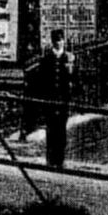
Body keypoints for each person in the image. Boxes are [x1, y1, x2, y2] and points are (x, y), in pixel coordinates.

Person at [36, 29, 75, 167]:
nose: (59, 43)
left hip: (63, 100)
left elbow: (73, 79)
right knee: (51, 129)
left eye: (61, 40)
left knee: (61, 130)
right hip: (50, 100)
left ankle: (60, 159)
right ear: (53, 42)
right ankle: (50, 159)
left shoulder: (69, 58)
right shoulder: (47, 59)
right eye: (57, 40)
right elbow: (42, 79)